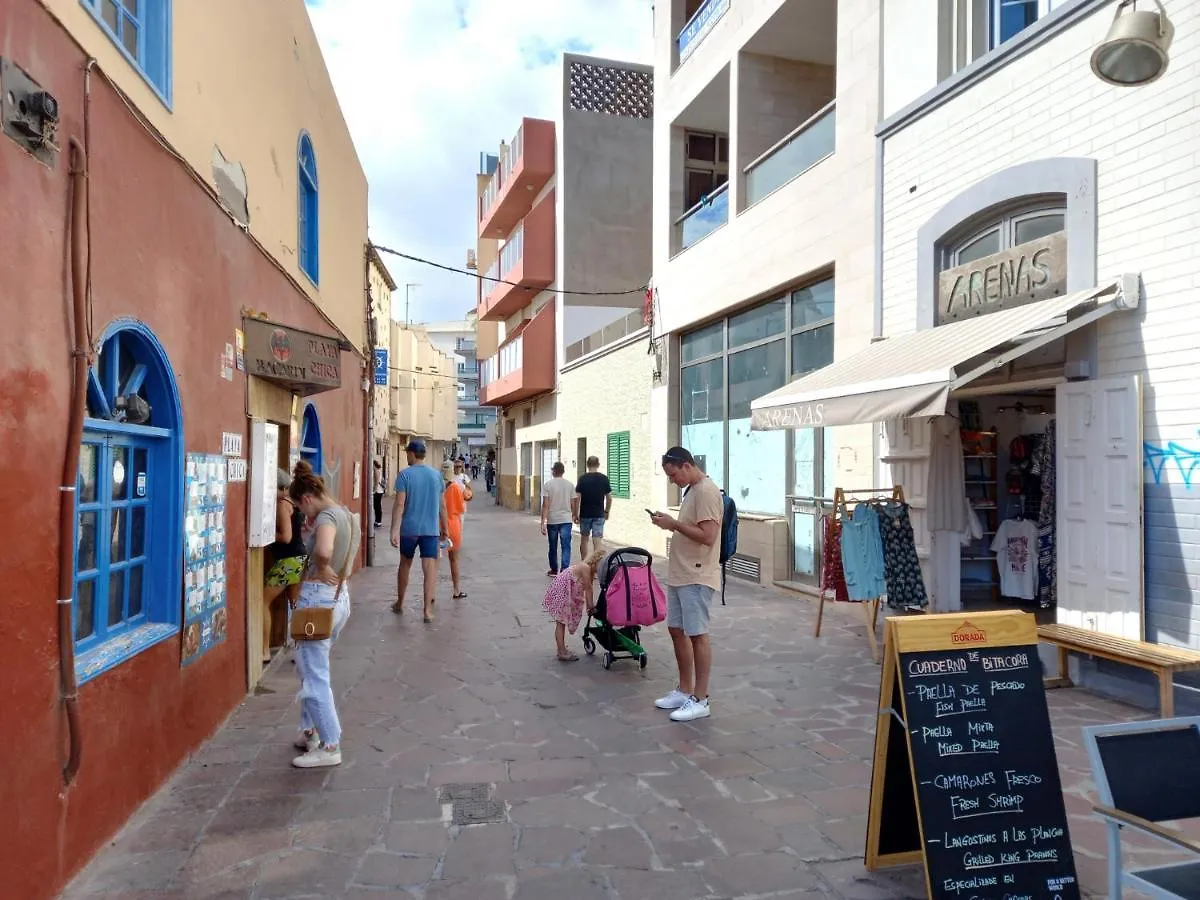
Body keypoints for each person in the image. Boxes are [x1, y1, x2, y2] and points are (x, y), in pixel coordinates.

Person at [288, 460, 354, 768]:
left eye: (303, 509)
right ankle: (309, 729)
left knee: (314, 674)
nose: (306, 516)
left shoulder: (326, 516)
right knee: (310, 666)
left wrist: (323, 565)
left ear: (306, 499)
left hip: (318, 599)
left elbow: (324, 549)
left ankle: (330, 745)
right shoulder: (344, 513)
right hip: (338, 599)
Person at [649, 446, 723, 722]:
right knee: (676, 630)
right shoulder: (693, 490)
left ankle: (701, 699)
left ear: (686, 465)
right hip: (682, 573)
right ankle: (684, 689)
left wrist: (673, 525)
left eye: (673, 474)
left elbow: (708, 536)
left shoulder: (705, 491)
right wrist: (671, 523)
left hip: (697, 575)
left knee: (697, 634)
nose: (672, 481)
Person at [389, 440, 449, 623]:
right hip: (430, 531)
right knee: (429, 569)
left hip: (409, 530)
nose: (406, 455)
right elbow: (442, 506)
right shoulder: (436, 475)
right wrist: (445, 528)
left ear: (413, 454)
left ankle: (400, 602)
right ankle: (427, 610)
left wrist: (394, 530)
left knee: (405, 565)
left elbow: (399, 504)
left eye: (407, 453)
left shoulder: (404, 475)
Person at [262, 468, 306, 665]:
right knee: (295, 603)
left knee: (262, 601)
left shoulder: (281, 504)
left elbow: (286, 537)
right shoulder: (294, 502)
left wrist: (267, 534)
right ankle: (302, 650)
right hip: (298, 557)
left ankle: (263, 650)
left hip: (288, 559)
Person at [542, 549, 605, 661]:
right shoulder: (585, 568)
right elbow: (588, 589)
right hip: (563, 591)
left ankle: (561, 649)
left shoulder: (586, 569)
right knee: (561, 622)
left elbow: (586, 588)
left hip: (564, 589)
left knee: (561, 621)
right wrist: (590, 606)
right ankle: (561, 651)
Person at [574, 455, 612, 560]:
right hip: (599, 514)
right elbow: (609, 498)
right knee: (597, 540)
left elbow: (577, 498)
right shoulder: (604, 479)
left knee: (584, 539)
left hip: (585, 514)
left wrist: (575, 513)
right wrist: (607, 511)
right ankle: (596, 568)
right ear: (598, 465)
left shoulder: (582, 479)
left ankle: (585, 565)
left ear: (587, 465)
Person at [540, 461, 575, 576]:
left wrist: (543, 522)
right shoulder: (570, 485)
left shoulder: (548, 485)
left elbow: (545, 505)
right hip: (566, 519)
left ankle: (554, 569)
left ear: (553, 471)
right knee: (566, 546)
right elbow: (573, 503)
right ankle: (565, 570)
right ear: (563, 471)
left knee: (553, 545)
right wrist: (574, 515)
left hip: (552, 519)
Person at [441, 461, 468, 600]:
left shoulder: (437, 487)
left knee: (433, 561)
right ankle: (456, 590)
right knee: (454, 560)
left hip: (439, 527)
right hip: (454, 527)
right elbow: (461, 508)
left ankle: (430, 593)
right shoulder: (456, 487)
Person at [372, 460, 385, 528]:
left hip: (378, 491)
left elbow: (376, 481)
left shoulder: (376, 470)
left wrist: (374, 490)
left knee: (377, 506)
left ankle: (378, 521)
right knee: (377, 506)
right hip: (380, 491)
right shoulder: (379, 470)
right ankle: (378, 521)